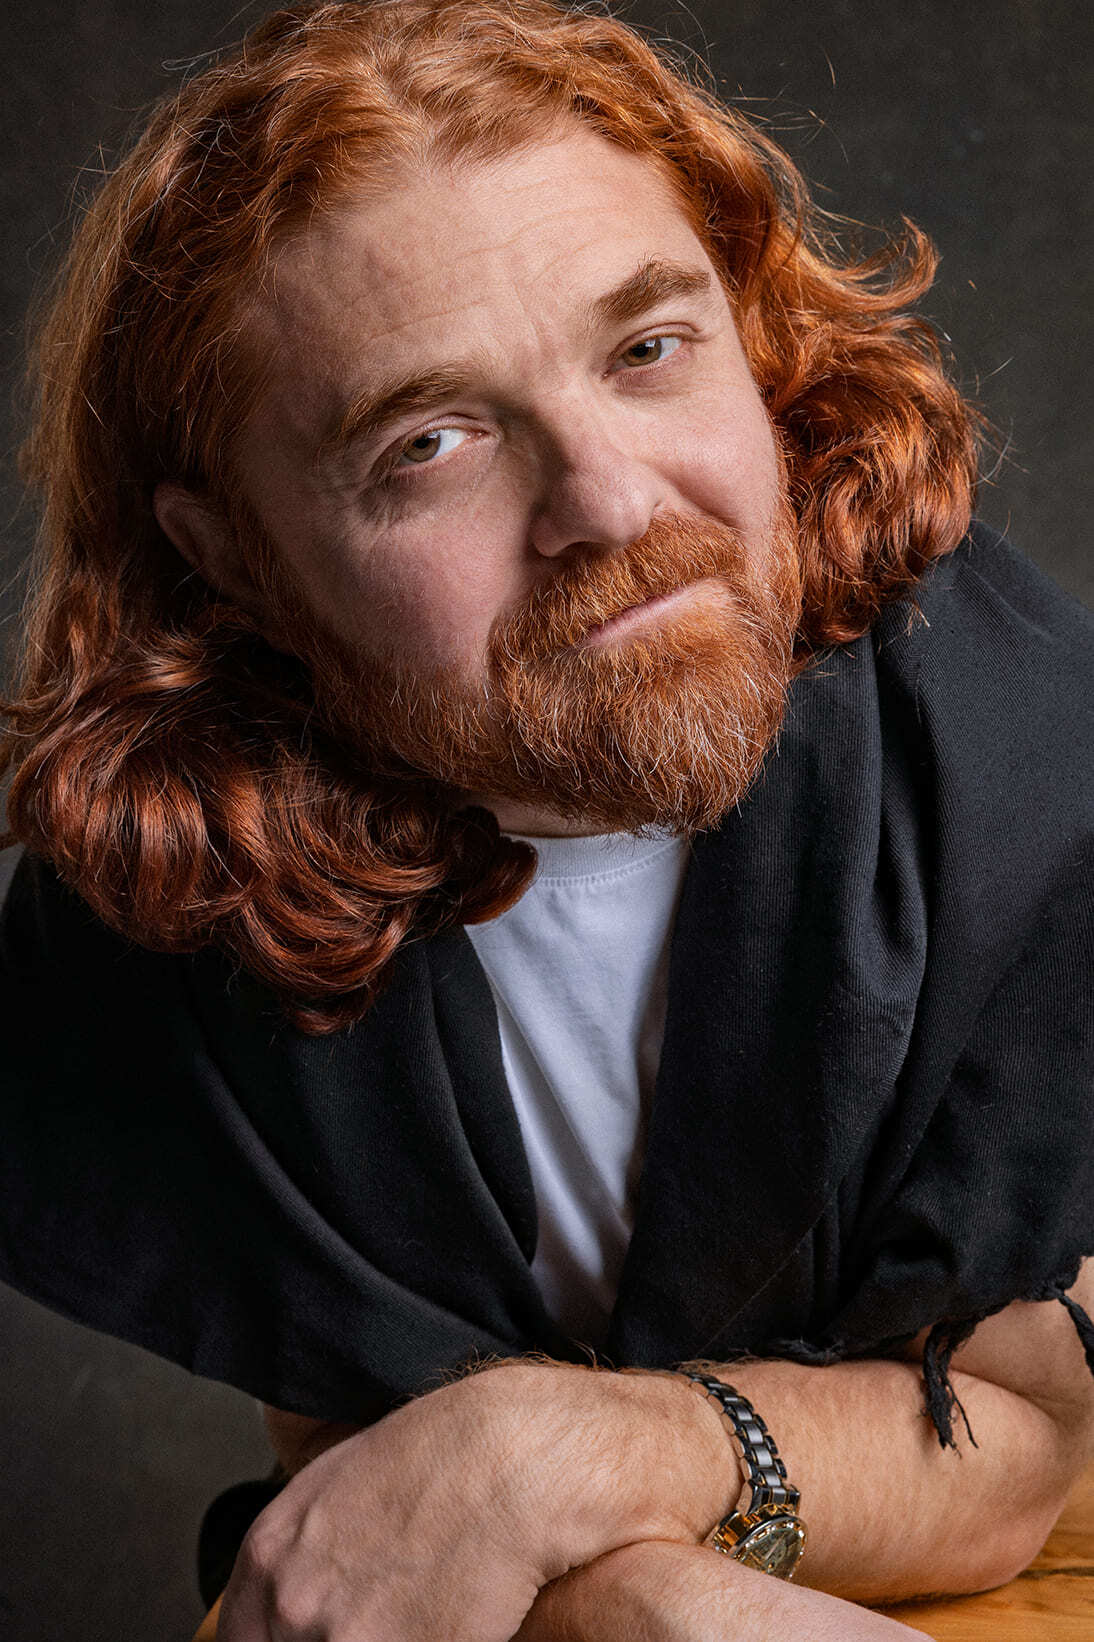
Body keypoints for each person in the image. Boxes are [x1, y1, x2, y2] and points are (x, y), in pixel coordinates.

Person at [1, 2, 1092, 1638]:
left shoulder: (1014, 752)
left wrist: (559, 1460)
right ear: (231, 557)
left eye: (647, 349)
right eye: (429, 442)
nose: (611, 502)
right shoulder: (186, 888)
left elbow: (1009, 1451)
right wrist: (640, 1593)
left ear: (746, 326)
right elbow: (377, 1484)